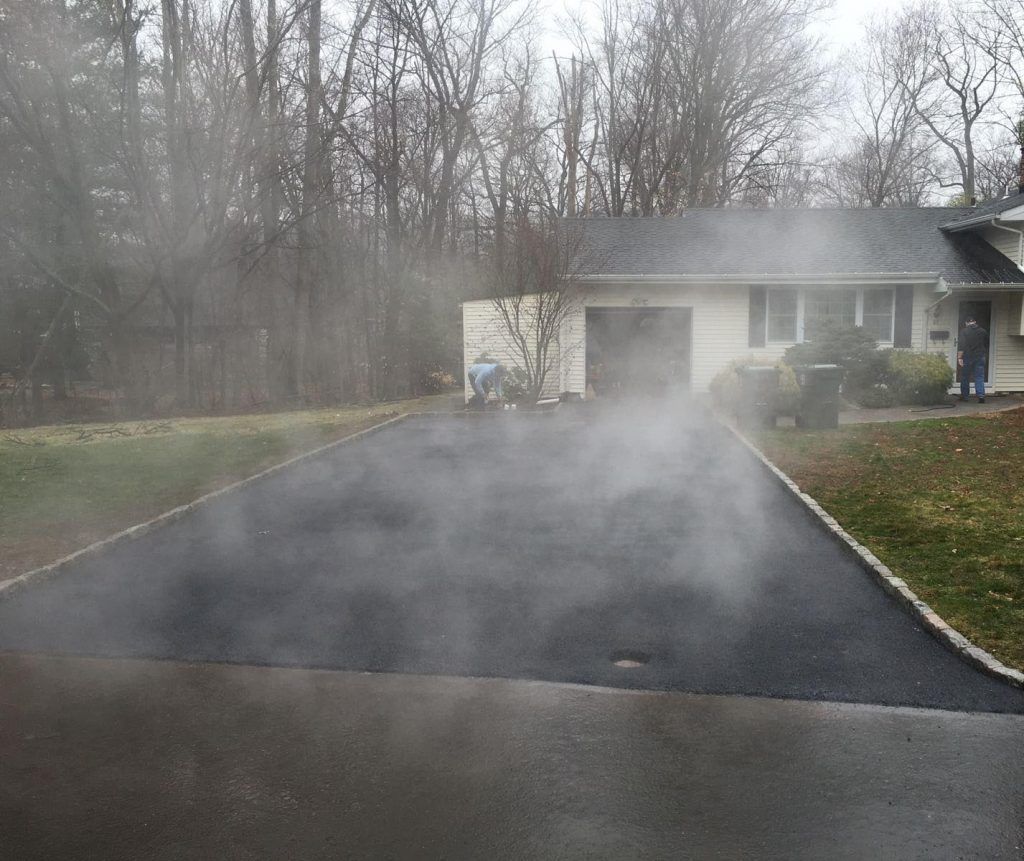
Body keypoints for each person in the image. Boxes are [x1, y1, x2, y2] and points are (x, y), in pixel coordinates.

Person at [957, 315, 989, 403]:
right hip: (980, 356)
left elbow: (962, 345)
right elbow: (986, 344)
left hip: (968, 357)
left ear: (966, 323)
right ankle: (981, 397)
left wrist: (959, 357)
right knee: (979, 377)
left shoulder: (964, 331)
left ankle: (965, 397)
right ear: (975, 322)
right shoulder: (983, 331)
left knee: (965, 377)